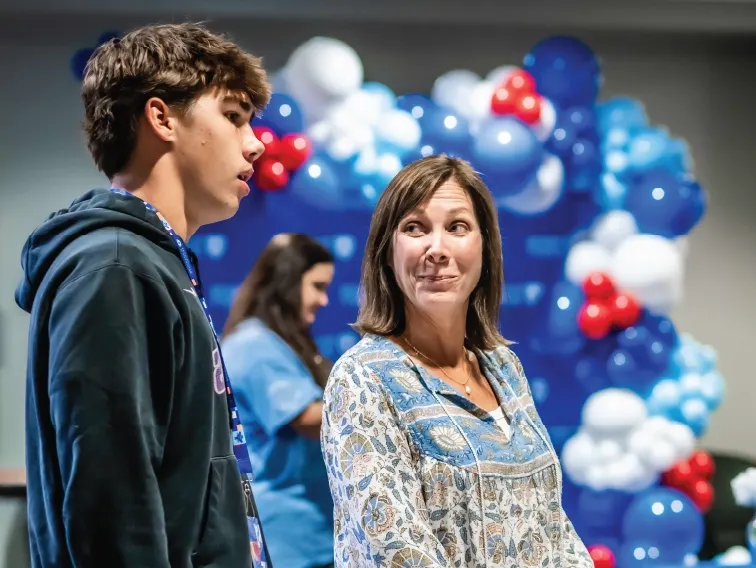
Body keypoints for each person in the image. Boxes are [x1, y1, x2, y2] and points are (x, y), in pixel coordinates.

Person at [14, 23, 274, 567]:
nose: (255, 143)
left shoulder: (150, 261)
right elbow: (112, 500)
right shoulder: (115, 267)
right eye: (233, 116)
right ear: (161, 118)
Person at [320, 154, 593, 567]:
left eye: (457, 227)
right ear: (387, 254)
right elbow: (400, 549)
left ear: (484, 246)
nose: (437, 249)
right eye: (414, 228)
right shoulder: (362, 379)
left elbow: (552, 523)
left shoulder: (503, 367)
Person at [221, 233, 338, 568]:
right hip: (290, 541)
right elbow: (307, 419)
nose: (324, 300)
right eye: (317, 286)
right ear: (288, 282)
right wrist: (380, 400)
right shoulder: (254, 345)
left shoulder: (275, 341)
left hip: (310, 536)